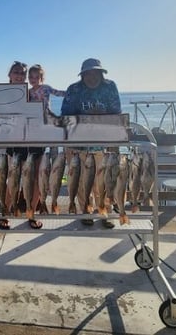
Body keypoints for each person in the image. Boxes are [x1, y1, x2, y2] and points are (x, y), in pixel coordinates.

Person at [61, 58, 121, 229]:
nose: (91, 76)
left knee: (104, 181)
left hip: (104, 144)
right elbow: (66, 115)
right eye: (88, 73)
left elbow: (117, 112)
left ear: (101, 73)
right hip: (78, 145)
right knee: (80, 181)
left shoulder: (110, 87)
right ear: (82, 75)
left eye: (95, 73)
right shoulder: (74, 89)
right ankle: (85, 211)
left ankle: (105, 211)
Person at [2, 61, 44, 230]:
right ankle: (6, 212)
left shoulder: (33, 93)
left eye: (22, 73)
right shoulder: (3, 94)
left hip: (35, 140)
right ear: (10, 75)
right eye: (16, 72)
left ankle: (31, 213)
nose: (19, 75)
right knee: (12, 178)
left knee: (35, 180)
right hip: (14, 142)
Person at [28, 64, 66, 158]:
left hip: (48, 116)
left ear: (41, 78)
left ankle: (55, 161)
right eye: (31, 77)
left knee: (53, 140)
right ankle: (43, 159)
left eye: (37, 77)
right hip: (36, 120)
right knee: (41, 144)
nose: (34, 79)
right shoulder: (28, 92)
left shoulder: (46, 88)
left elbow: (57, 93)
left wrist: (70, 93)